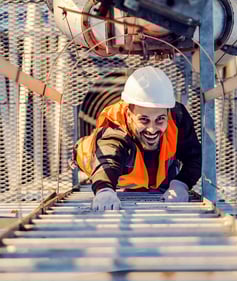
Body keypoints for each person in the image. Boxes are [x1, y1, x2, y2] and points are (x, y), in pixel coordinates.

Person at [74, 66, 202, 211]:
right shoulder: (115, 131)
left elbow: (195, 156)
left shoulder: (177, 117)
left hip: (159, 176)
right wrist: (104, 190)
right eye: (144, 120)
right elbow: (108, 157)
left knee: (171, 171)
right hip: (121, 175)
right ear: (129, 115)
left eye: (160, 119)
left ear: (168, 112)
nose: (152, 129)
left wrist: (181, 183)